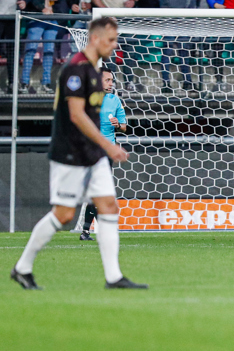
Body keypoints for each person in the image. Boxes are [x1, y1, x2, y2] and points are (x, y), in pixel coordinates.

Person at [11, 17, 146, 291]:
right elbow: (76, 115)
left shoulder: (96, 72)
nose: (114, 44)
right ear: (95, 39)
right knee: (62, 216)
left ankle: (114, 277)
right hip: (71, 153)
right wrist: (108, 145)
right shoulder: (76, 70)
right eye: (110, 39)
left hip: (92, 153)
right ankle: (22, 268)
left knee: (109, 207)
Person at [80, 66, 128, 241]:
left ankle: (87, 231)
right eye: (107, 80)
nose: (110, 83)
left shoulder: (114, 101)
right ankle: (96, 231)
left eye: (112, 80)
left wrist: (117, 124)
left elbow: (124, 126)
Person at [21, 0, 60, 95]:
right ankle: (24, 82)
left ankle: (46, 83)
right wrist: (41, 8)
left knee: (49, 51)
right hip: (37, 17)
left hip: (51, 17)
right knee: (31, 49)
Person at [0, 0, 31, 94]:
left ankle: (12, 83)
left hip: (14, 16)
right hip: (0, 15)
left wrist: (25, 0)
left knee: (13, 51)